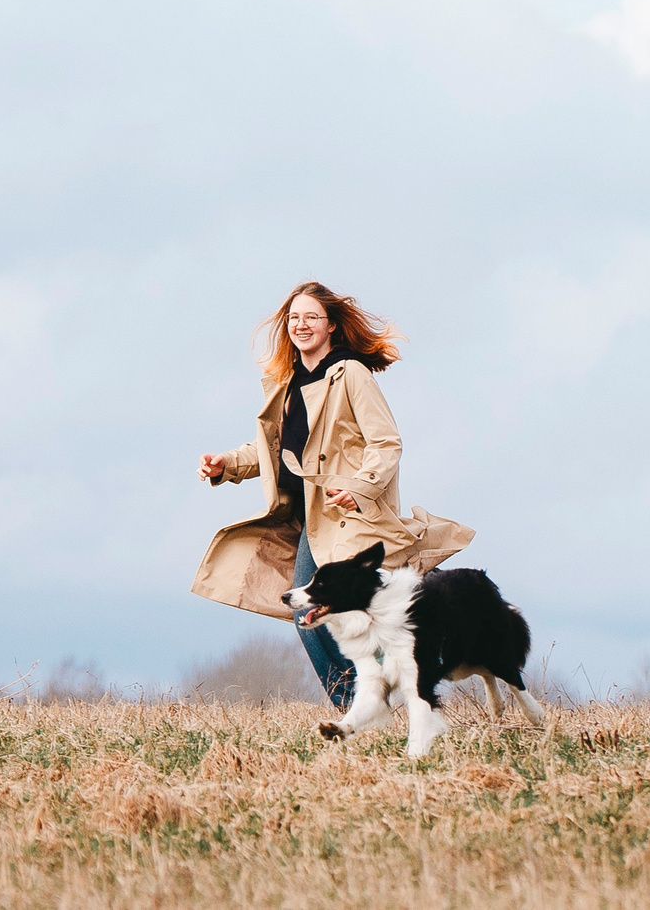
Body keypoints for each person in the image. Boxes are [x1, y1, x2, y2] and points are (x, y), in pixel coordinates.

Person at [190, 281, 473, 708]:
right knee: (324, 612)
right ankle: (369, 695)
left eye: (311, 318)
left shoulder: (350, 374)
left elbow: (386, 443)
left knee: (311, 610)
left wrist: (359, 487)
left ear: (332, 326)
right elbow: (274, 451)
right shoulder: (285, 384)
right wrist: (226, 464)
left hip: (344, 517)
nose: (300, 326)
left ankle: (357, 704)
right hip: (306, 516)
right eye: (293, 318)